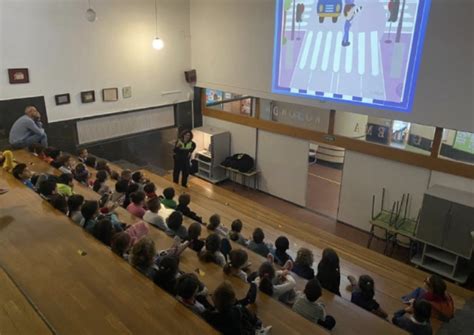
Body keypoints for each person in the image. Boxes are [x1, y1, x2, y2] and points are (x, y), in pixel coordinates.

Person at [203, 281, 272, 335]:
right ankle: (257, 326)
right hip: (244, 331)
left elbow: (206, 313)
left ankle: (248, 302)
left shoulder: (210, 316)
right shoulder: (236, 312)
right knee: (242, 309)